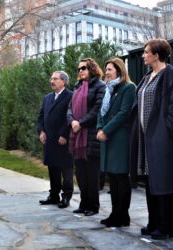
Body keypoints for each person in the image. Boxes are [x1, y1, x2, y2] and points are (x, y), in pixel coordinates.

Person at [130, 39, 173, 240]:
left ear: (156, 55)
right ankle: (153, 222)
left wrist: (167, 132)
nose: (143, 55)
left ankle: (167, 226)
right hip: (146, 138)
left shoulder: (170, 74)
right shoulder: (147, 77)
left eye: (146, 52)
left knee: (165, 182)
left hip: (163, 138)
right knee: (150, 180)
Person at [96, 57, 135, 227]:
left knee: (120, 177)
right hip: (107, 138)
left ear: (119, 70)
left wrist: (106, 130)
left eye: (110, 69)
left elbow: (124, 113)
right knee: (111, 177)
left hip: (119, 138)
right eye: (106, 69)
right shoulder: (108, 89)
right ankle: (114, 213)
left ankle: (123, 215)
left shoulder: (128, 88)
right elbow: (101, 112)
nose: (107, 72)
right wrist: (99, 128)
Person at [67, 58, 105, 216]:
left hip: (90, 135)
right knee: (80, 173)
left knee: (92, 174)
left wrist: (80, 123)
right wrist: (72, 121)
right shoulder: (77, 87)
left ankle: (93, 205)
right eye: (79, 69)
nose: (80, 71)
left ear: (92, 69)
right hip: (76, 136)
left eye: (84, 68)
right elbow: (69, 108)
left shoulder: (99, 86)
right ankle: (83, 203)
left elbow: (97, 109)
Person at [37, 71, 74, 209]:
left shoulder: (71, 96)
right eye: (51, 78)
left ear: (63, 81)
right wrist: (41, 131)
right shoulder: (47, 97)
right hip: (49, 140)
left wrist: (64, 134)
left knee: (66, 169)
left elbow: (70, 116)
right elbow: (41, 116)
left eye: (55, 79)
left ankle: (66, 197)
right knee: (52, 168)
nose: (51, 81)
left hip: (63, 139)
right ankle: (53, 195)